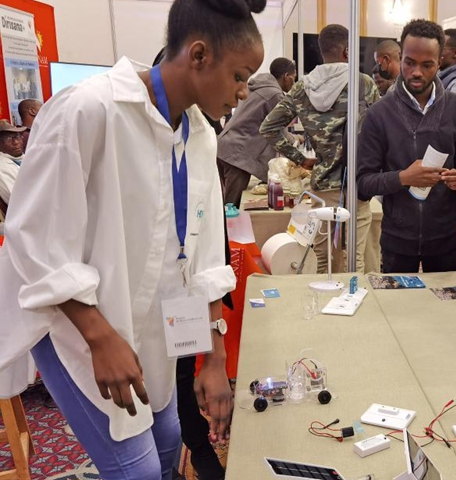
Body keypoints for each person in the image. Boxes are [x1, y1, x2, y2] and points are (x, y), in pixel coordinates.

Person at [0, 0, 266, 478]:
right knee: (138, 471)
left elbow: (205, 257)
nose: (243, 93)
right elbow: (32, 240)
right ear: (199, 55)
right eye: (240, 76)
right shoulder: (88, 109)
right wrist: (101, 338)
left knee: (168, 445)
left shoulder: (201, 136)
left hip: (150, 326)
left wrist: (214, 353)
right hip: (73, 323)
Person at [261, 24, 380, 274]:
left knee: (320, 256)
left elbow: (269, 127)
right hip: (356, 185)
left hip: (321, 185)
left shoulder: (302, 87)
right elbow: (382, 130)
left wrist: (301, 160)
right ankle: (351, 307)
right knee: (352, 258)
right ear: (348, 51)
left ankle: (320, 307)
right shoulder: (363, 84)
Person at [357, 19, 456, 273]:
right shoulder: (379, 114)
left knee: (444, 311)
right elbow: (363, 185)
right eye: (409, 63)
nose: (416, 72)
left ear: (440, 62)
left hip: (445, 236)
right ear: (401, 57)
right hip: (398, 238)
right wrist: (403, 177)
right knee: (397, 310)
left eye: (427, 64)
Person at [218, 57, 297, 206]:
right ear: (286, 77)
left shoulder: (257, 87)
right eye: (293, 79)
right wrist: (296, 144)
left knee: (224, 205)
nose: (293, 83)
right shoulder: (275, 94)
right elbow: (278, 130)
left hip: (225, 147)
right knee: (231, 208)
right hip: (237, 154)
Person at [0, 122, 25, 213]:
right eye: (9, 139)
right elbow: (17, 201)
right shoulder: (2, 167)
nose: (16, 142)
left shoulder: (25, 158)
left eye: (17, 136)